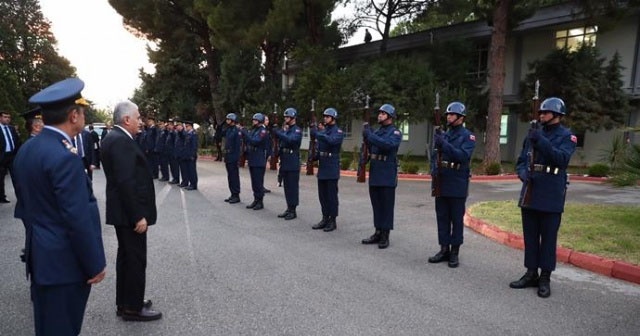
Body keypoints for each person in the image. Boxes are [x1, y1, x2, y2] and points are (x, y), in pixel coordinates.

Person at [13, 77, 106, 336]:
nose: (83, 115)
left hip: (42, 260)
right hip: (64, 266)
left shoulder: (28, 149)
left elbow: (27, 204)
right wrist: (94, 264)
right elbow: (76, 218)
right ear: (73, 115)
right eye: (82, 111)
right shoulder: (63, 156)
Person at [510, 97, 577, 298]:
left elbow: (562, 159)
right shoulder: (531, 135)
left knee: (548, 238)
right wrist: (523, 174)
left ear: (557, 115)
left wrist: (541, 141)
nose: (541, 115)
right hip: (531, 189)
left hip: (551, 192)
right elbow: (521, 161)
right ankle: (531, 273)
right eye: (540, 112)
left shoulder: (567, 136)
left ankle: (545, 277)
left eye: (545, 113)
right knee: (530, 236)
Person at [101, 100, 162, 321]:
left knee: (126, 258)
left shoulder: (115, 138)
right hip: (129, 214)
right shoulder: (121, 141)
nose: (141, 122)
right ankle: (133, 308)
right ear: (126, 119)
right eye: (138, 117)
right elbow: (126, 182)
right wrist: (138, 215)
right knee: (135, 259)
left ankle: (127, 301)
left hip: (122, 212)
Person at [428, 101, 476, 268]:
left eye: (452, 114)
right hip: (442, 179)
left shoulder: (467, 136)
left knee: (455, 219)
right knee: (442, 217)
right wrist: (433, 171)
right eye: (447, 114)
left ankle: (454, 252)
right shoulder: (445, 134)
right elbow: (435, 156)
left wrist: (444, 144)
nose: (448, 117)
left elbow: (461, 156)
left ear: (461, 118)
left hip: (457, 181)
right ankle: (443, 249)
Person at [360, 104, 402, 249]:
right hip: (376, 171)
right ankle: (377, 231)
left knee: (386, 205)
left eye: (383, 114)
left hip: (387, 173)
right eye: (379, 113)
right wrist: (366, 139)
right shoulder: (377, 131)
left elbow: (388, 146)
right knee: (376, 204)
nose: (379, 116)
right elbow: (371, 148)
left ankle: (385, 234)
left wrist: (370, 136)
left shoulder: (395, 132)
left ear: (390, 116)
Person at [310, 108, 344, 232]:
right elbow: (321, 148)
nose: (325, 118)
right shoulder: (324, 131)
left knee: (331, 196)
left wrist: (317, 133)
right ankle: (325, 217)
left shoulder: (338, 131)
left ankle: (332, 220)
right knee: (322, 195)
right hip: (323, 166)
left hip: (331, 167)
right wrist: (314, 156)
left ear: (333, 118)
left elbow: (331, 141)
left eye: (327, 116)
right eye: (324, 116)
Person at [272, 107, 302, 220]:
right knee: (287, 187)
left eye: (288, 117)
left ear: (293, 118)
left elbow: (291, 140)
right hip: (285, 160)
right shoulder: (286, 129)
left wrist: (279, 133)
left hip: (292, 161)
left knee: (292, 187)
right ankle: (288, 208)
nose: (286, 119)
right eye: (285, 117)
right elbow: (282, 143)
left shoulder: (297, 130)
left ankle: (293, 210)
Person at [240, 113, 270, 210]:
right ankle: (256, 199)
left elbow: (255, 141)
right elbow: (248, 140)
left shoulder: (263, 131)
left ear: (260, 121)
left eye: (255, 120)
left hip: (258, 159)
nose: (253, 121)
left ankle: (260, 201)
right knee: (254, 182)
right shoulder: (254, 130)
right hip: (252, 158)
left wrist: (245, 133)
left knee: (258, 182)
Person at [1, 110, 22, 203]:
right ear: (0, 118)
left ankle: (20, 197)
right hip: (2, 157)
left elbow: (17, 141)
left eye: (9, 117)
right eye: (5, 117)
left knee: (16, 177)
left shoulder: (11, 128)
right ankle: (2, 197)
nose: (7, 119)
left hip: (12, 156)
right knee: (0, 179)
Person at [223, 113, 242, 204]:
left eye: (228, 119)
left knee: (234, 176)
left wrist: (236, 158)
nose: (227, 121)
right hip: (228, 156)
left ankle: (236, 195)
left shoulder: (236, 130)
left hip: (233, 156)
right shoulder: (228, 129)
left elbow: (238, 146)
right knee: (230, 176)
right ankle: (232, 194)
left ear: (233, 120)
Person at [183, 121, 198, 190]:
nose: (186, 128)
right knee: (188, 170)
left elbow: (194, 146)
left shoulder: (193, 134)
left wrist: (192, 155)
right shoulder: (187, 134)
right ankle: (190, 183)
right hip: (187, 155)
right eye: (185, 126)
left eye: (187, 126)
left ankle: (193, 184)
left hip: (191, 156)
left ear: (191, 126)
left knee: (192, 171)